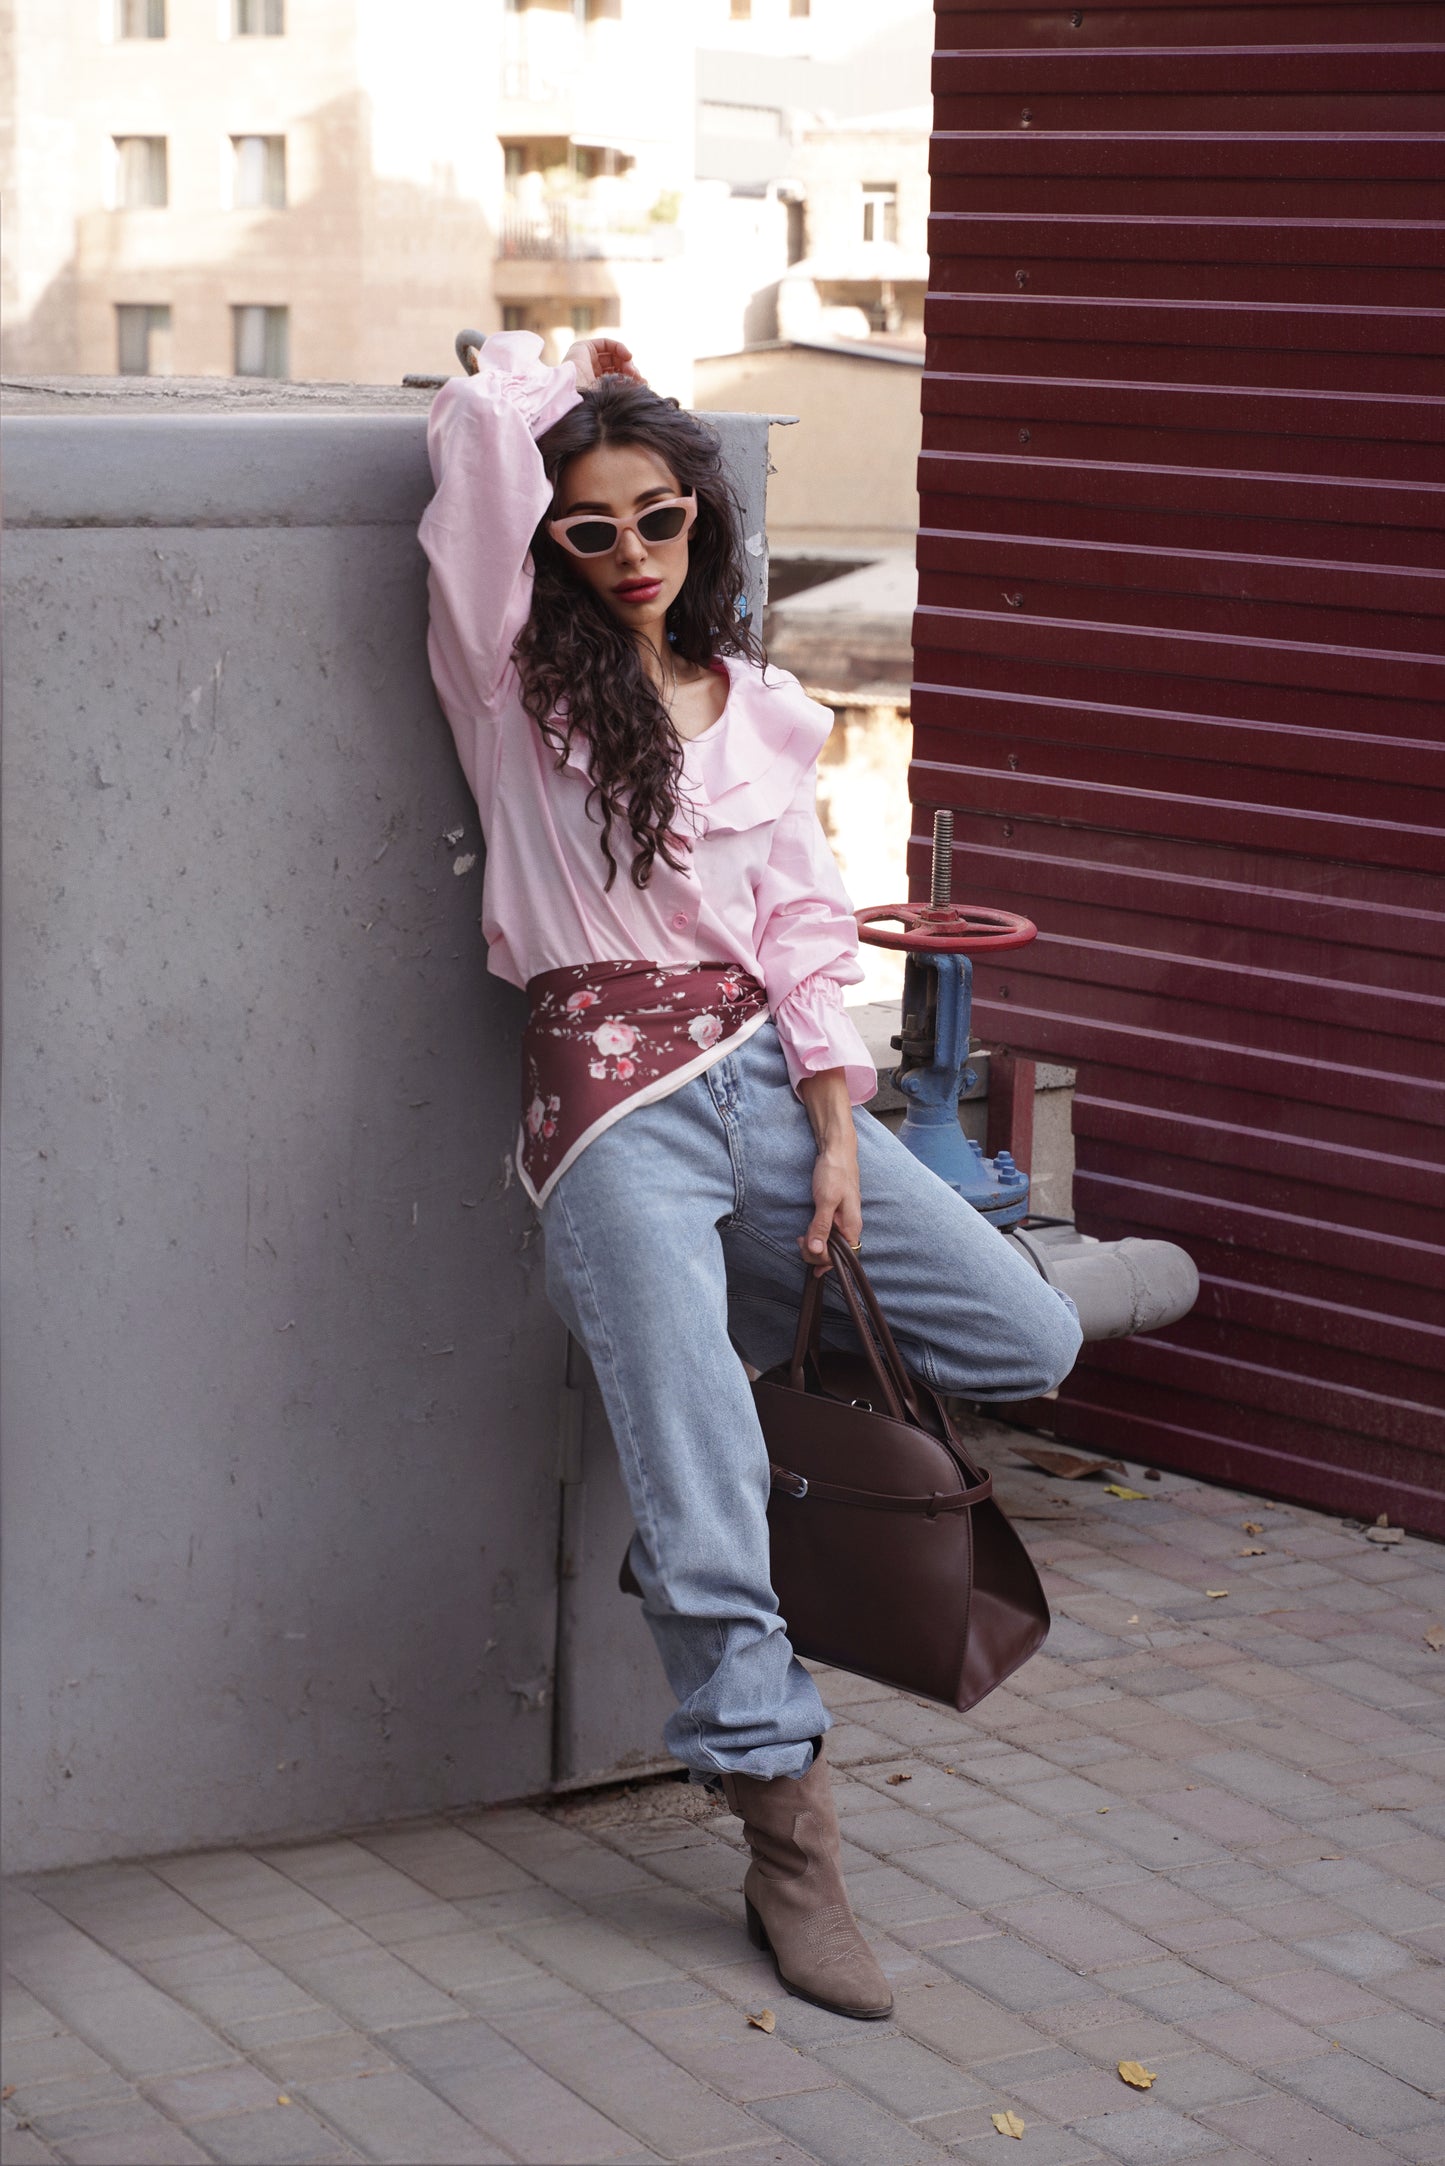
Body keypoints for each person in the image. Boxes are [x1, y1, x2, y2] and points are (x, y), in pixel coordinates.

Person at [419, 330, 1081, 2021]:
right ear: (551, 545)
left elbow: (797, 925)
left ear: (701, 519)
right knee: (698, 1468)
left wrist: (841, 1129)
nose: (630, 552)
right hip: (609, 1114)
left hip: (771, 1084)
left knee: (1025, 1333)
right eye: (590, 528)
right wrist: (566, 380)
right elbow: (477, 443)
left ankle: (729, 1413)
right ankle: (786, 1826)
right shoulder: (512, 679)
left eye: (659, 516)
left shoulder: (760, 706)